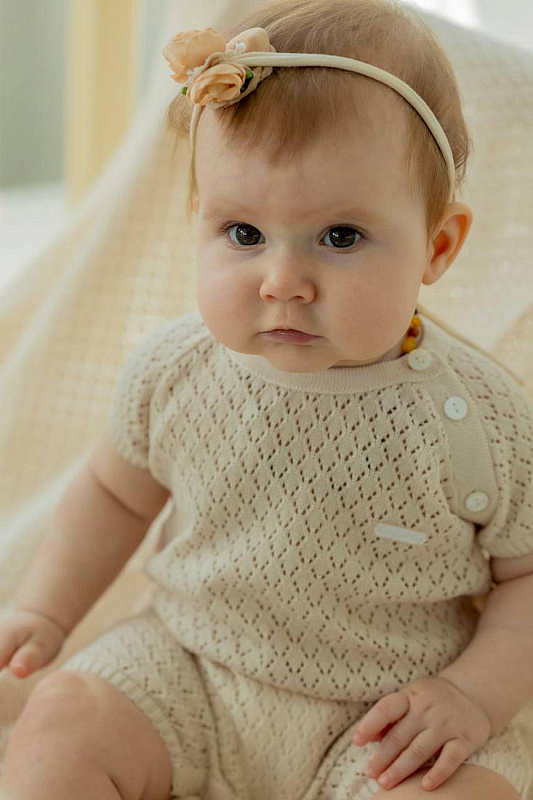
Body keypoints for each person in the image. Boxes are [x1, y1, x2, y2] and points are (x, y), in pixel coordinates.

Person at [1, 0, 533, 798]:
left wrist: (470, 696)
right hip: (189, 669)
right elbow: (113, 493)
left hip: (387, 719)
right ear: (198, 222)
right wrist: (45, 610)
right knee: (64, 720)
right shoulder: (174, 372)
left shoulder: (478, 417)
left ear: (437, 245)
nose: (282, 282)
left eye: (340, 237)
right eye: (244, 234)